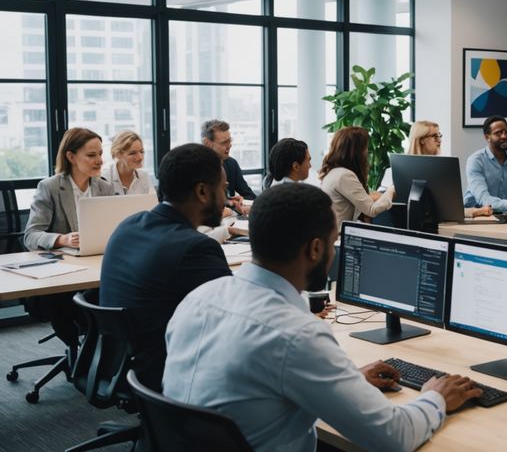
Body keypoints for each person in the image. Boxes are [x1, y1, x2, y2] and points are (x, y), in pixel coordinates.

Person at [163, 183, 482, 451]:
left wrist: (347, 381)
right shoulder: (296, 335)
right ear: (316, 249)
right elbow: (393, 438)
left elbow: (253, 387)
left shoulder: (198, 299)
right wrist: (435, 399)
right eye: (333, 242)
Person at [99, 143, 232, 389]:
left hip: (120, 364)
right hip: (170, 373)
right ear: (202, 191)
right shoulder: (196, 249)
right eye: (223, 189)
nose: (226, 199)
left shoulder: (129, 225)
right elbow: (235, 323)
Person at [24, 127, 115, 251]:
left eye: (100, 154)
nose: (100, 161)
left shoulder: (105, 188)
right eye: (91, 155)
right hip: (63, 261)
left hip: (97, 255)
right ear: (71, 157)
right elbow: (31, 236)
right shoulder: (50, 187)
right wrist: (63, 240)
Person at [404, 120, 493, 218]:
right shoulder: (400, 169)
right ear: (421, 140)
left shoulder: (440, 169)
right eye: (435, 136)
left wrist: (476, 211)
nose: (440, 140)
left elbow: (447, 208)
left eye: (439, 135)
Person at [320, 126, 394, 224]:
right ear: (357, 150)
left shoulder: (334, 172)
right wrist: (391, 190)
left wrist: (371, 196)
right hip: (339, 235)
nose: (367, 151)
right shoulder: (344, 175)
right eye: (365, 147)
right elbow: (372, 210)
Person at [201, 119, 256, 211]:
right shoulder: (194, 168)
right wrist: (227, 206)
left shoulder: (231, 164)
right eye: (224, 142)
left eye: (230, 141)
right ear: (207, 143)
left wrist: (234, 202)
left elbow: (249, 195)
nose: (229, 146)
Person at [107, 130, 153, 195]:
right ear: (118, 154)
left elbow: (152, 203)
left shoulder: (144, 177)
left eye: (141, 151)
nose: (140, 157)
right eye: (132, 153)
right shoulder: (104, 179)